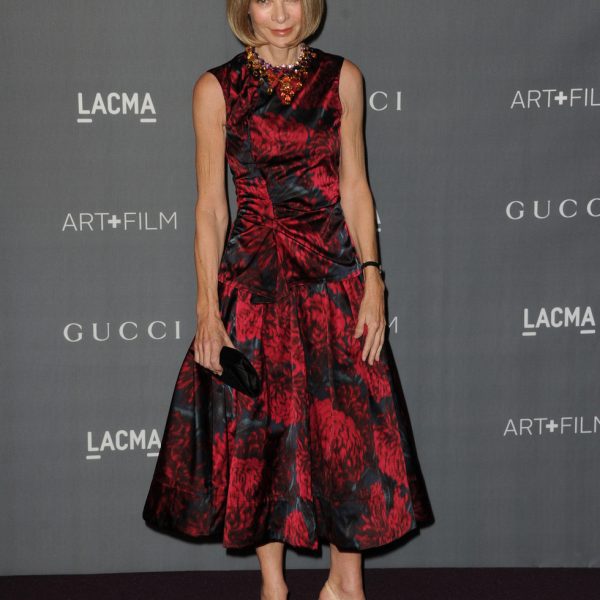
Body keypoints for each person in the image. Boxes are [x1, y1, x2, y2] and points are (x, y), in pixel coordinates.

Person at [143, 1, 435, 598]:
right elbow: (211, 207)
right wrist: (207, 310)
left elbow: (355, 185)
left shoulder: (342, 77)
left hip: (335, 278)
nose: (281, 12)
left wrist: (373, 278)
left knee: (351, 431)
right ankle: (273, 587)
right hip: (255, 286)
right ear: (243, 7)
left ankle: (344, 585)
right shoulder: (216, 89)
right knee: (261, 434)